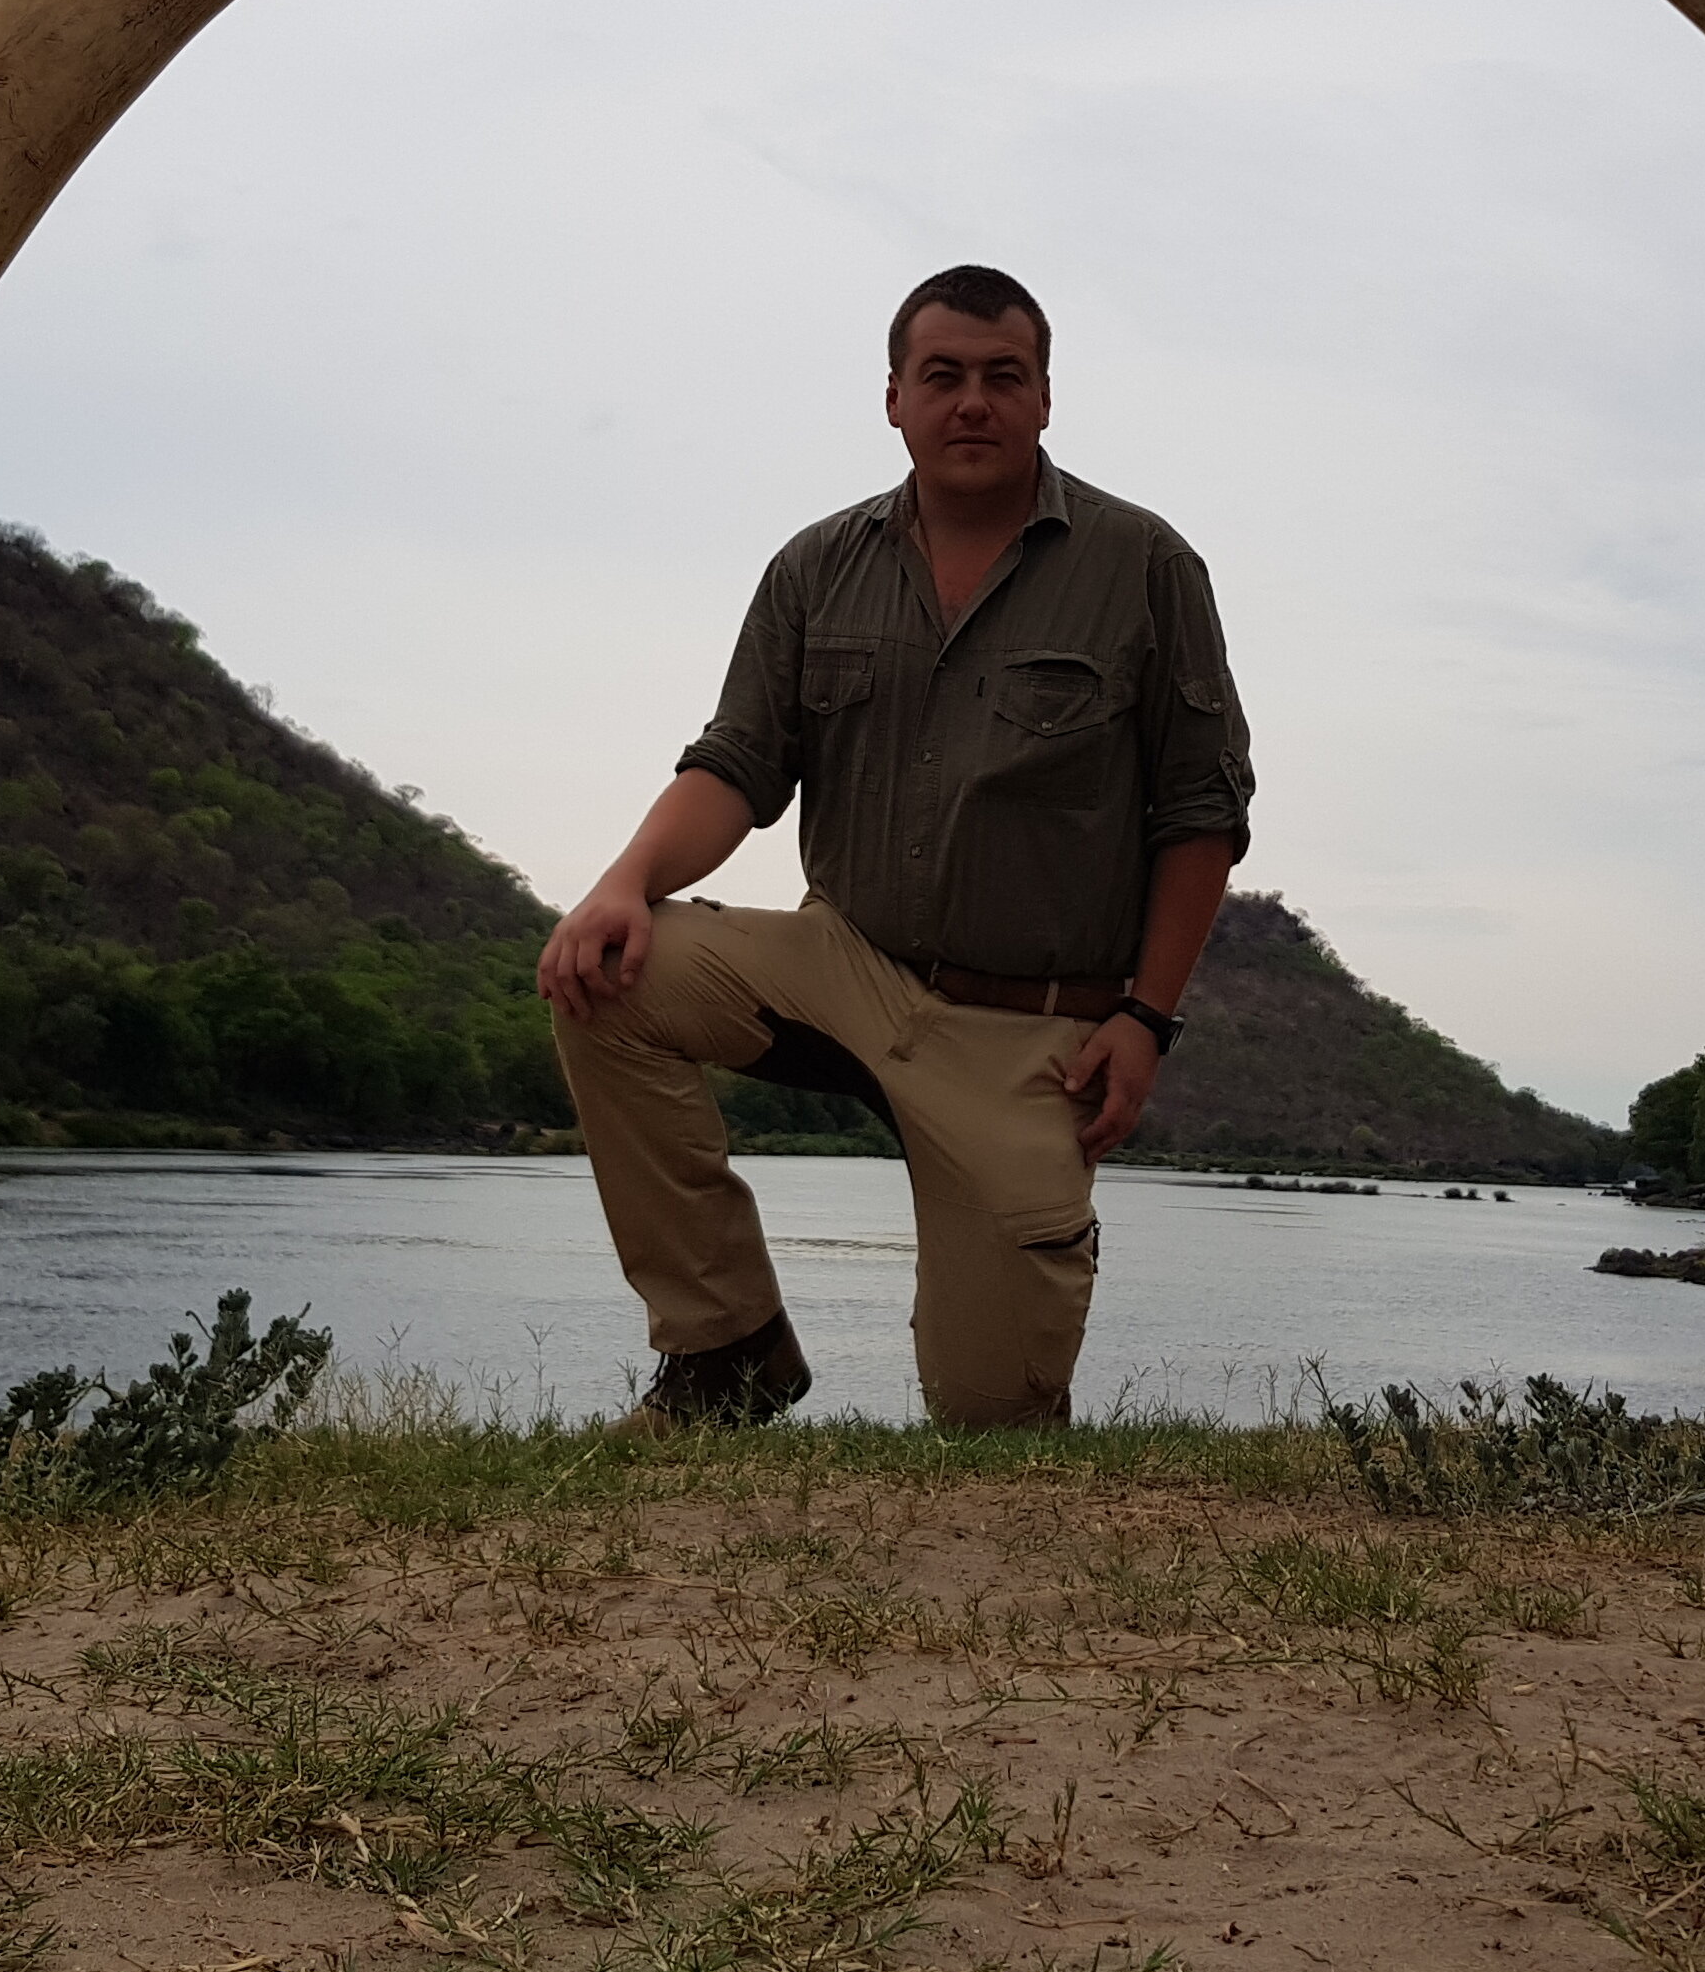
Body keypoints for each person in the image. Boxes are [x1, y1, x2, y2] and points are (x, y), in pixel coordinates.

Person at [535, 264, 1253, 1431]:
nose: (972, 401)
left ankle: (992, 1373)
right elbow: (735, 767)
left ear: (1045, 399)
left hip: (1029, 1032)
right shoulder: (817, 567)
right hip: (844, 969)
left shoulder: (1147, 566)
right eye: (944, 377)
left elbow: (1202, 813)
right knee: (603, 977)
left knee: (993, 1430)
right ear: (894, 399)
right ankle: (726, 1351)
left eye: (1002, 377)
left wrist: (1146, 1020)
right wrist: (625, 883)